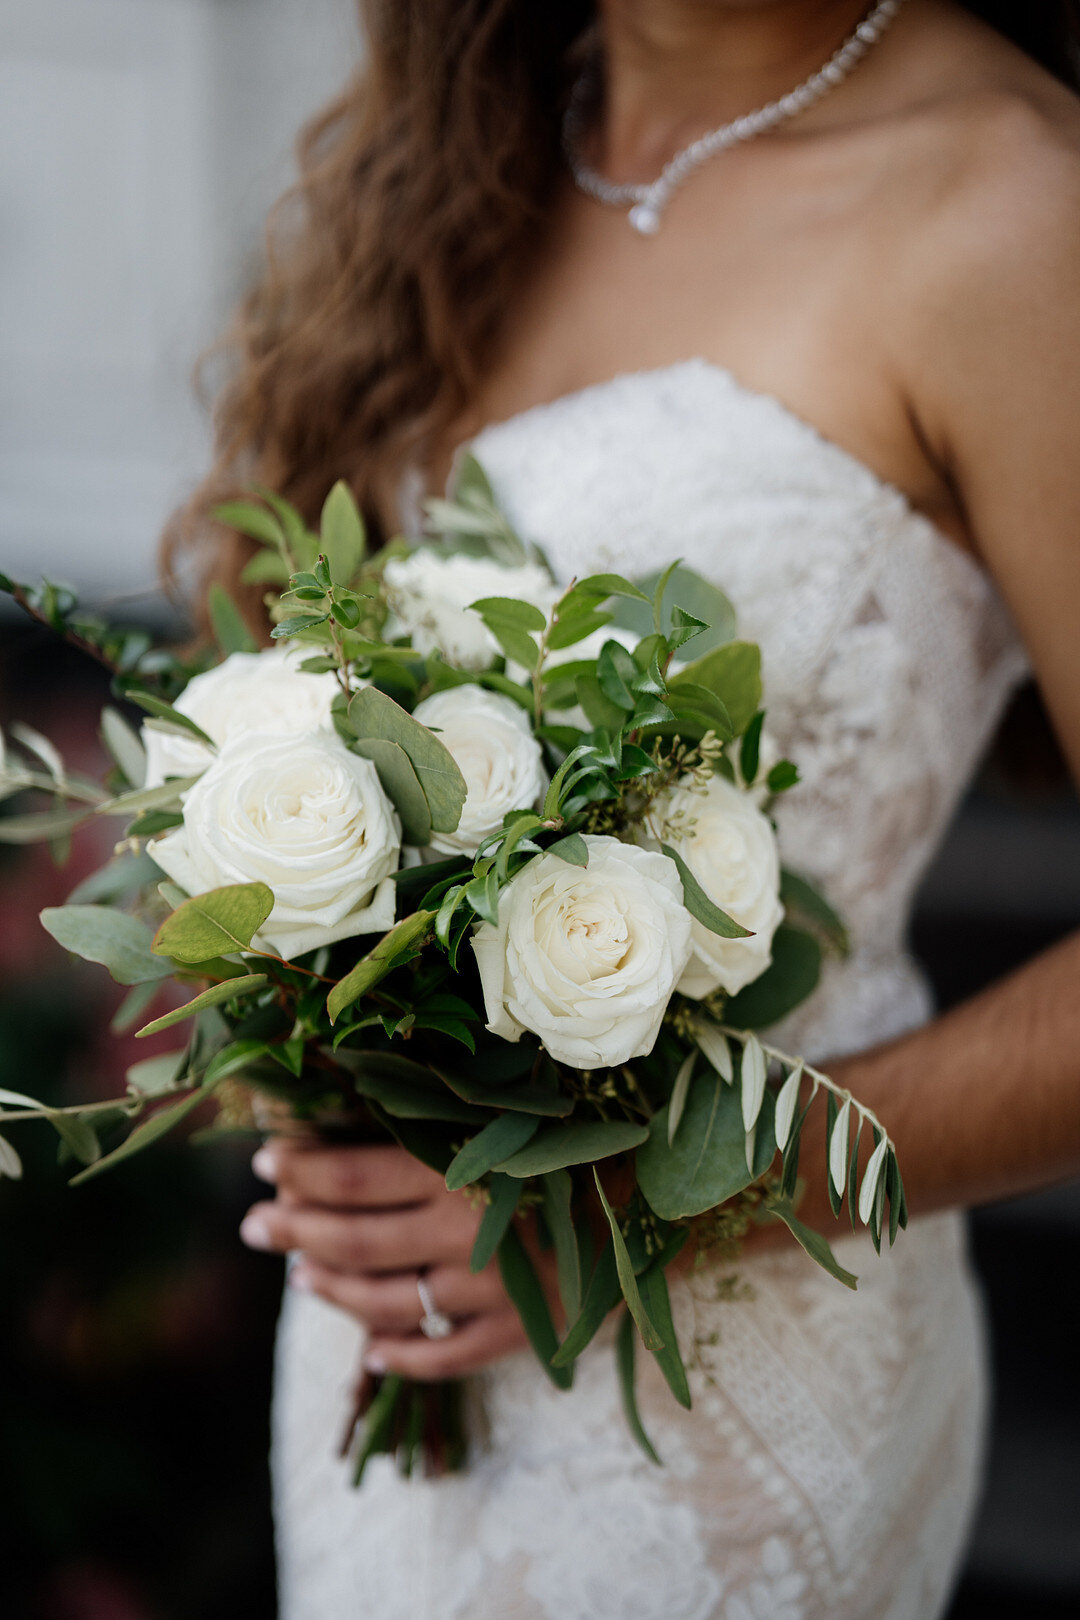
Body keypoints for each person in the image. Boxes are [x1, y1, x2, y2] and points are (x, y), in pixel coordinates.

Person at [171, 1, 1080, 1614]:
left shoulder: (1011, 209)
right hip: (395, 1343)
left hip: (734, 1389)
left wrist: (641, 1192)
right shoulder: (460, 155)